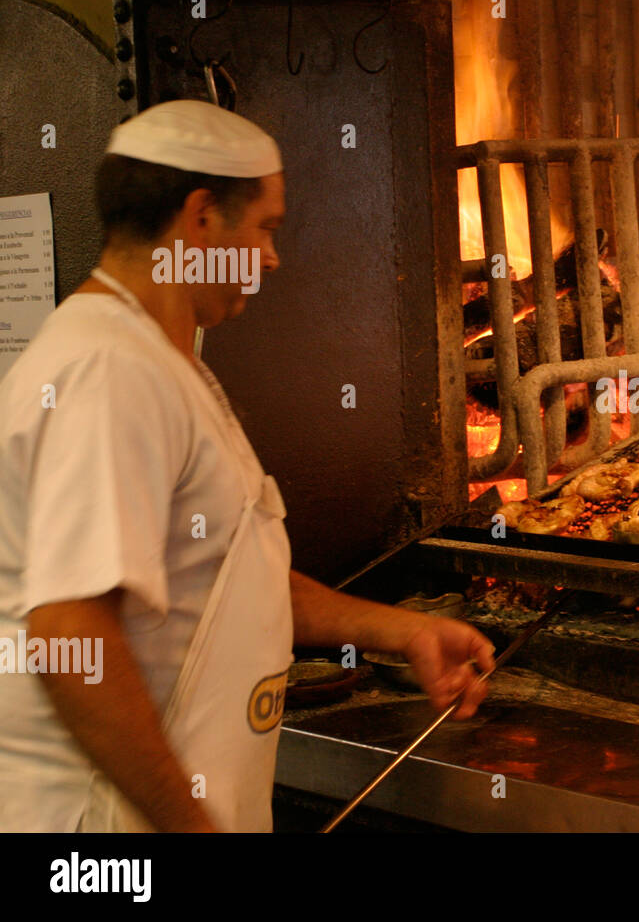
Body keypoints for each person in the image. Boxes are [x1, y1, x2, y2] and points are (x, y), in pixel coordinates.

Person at [0, 101, 494, 832]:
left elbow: (226, 576)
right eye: (264, 227)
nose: (272, 257)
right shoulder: (106, 371)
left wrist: (401, 630)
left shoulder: (160, 362)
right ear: (200, 218)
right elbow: (71, 637)